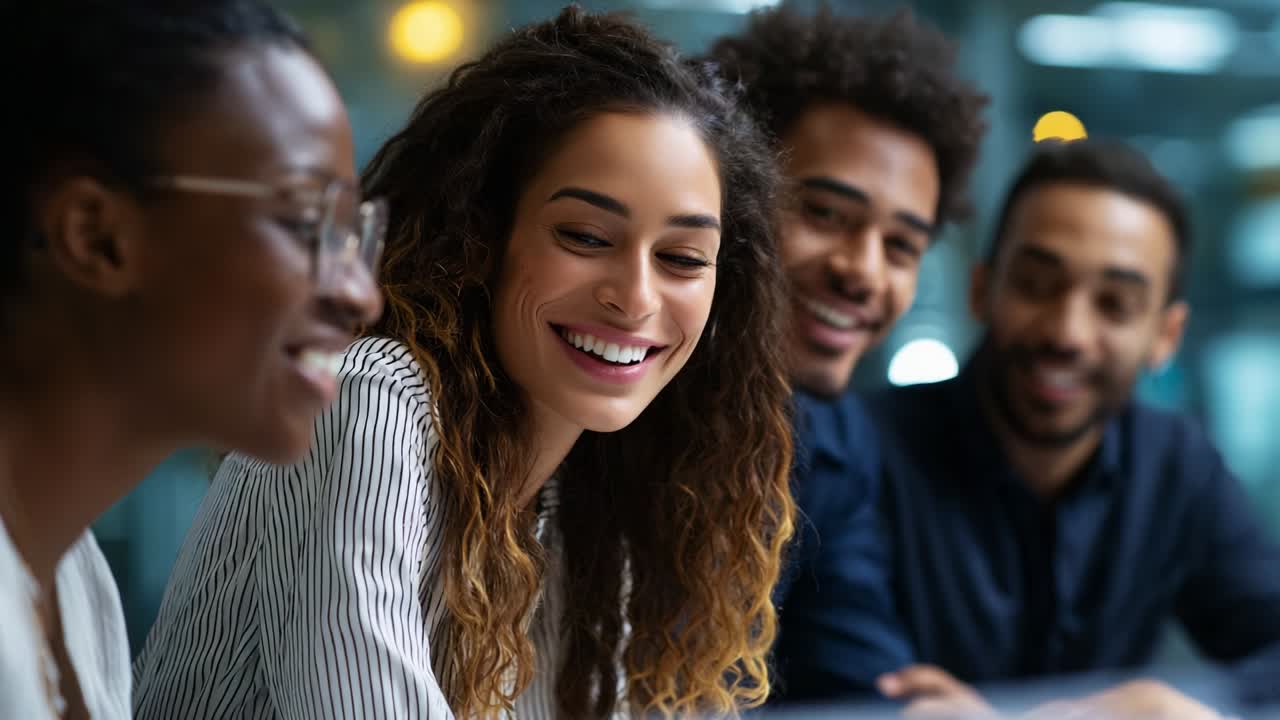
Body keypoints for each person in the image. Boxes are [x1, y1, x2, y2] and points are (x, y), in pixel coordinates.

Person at [132, 6, 796, 719]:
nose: (635, 298)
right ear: (481, 234)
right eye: (584, 235)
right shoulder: (369, 398)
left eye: (682, 259)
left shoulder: (590, 501)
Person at [797, 139, 1280, 717]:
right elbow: (868, 696)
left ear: (1166, 337)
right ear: (981, 289)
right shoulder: (854, 448)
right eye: (1036, 284)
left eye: (1115, 304)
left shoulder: (1176, 463)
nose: (1068, 333)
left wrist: (1162, 705)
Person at [1, 1, 384, 718]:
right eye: (308, 223)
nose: (361, 296)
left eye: (355, 234)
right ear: (97, 236)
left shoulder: (75, 580)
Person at [705, 4, 989, 704]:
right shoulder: (599, 389)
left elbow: (858, 676)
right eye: (824, 214)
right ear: (731, 195)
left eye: (901, 246)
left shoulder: (826, 440)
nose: (863, 271)